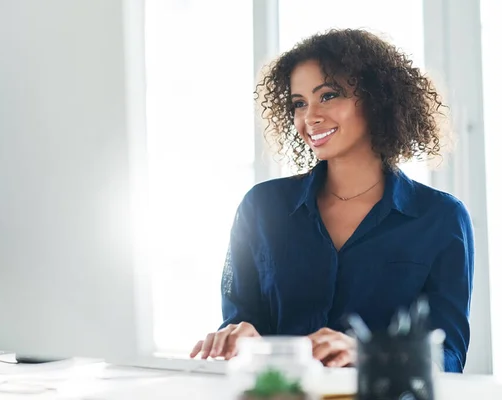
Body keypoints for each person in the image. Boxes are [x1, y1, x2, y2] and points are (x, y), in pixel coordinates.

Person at [189, 28, 474, 373]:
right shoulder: (261, 208)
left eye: (328, 96)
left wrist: (370, 354)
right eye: (299, 103)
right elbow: (240, 321)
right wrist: (240, 338)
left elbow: (450, 357)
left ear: (377, 97)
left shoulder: (440, 217)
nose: (310, 117)